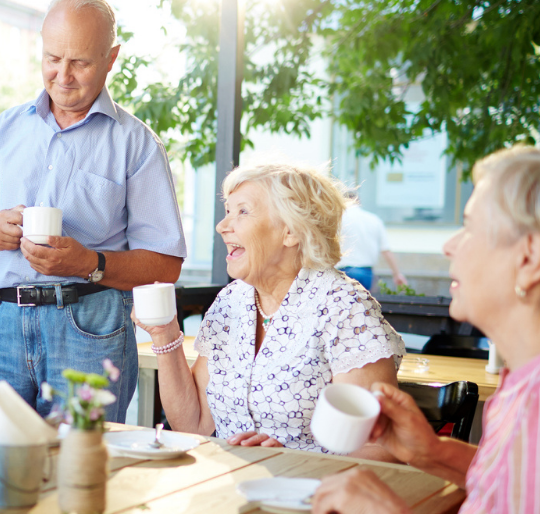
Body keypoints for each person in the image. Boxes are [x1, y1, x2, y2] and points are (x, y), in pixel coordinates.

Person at [311, 147, 540, 514]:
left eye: (471, 227)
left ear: (529, 260)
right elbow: (524, 487)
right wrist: (431, 453)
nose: (450, 245)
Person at [0, 0, 186, 422]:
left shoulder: (137, 144)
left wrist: (90, 263)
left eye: (80, 62)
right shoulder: (6, 128)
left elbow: (166, 265)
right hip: (2, 321)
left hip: (90, 327)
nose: (63, 75)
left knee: (79, 469)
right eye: (52, 58)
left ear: (111, 57)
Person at [136, 162, 403, 460]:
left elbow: (380, 451)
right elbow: (193, 424)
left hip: (309, 496)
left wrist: (295, 461)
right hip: (233, 484)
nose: (222, 226)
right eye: (227, 211)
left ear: (290, 231)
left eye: (242, 211)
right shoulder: (231, 301)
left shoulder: (343, 305)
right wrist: (165, 333)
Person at [337, 190, 408, 291]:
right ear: (359, 202)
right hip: (366, 273)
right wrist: (397, 274)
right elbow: (386, 250)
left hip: (344, 271)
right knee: (362, 305)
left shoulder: (339, 219)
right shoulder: (374, 219)